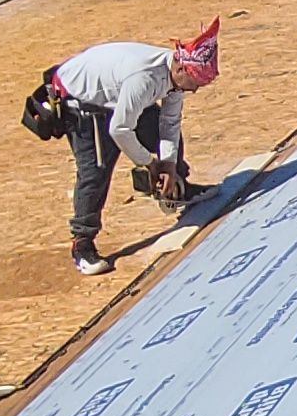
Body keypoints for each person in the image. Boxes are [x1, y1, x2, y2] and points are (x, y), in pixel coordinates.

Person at [28, 21, 219, 275]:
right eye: (195, 82)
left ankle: (178, 187)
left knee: (162, 133)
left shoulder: (174, 76)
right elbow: (119, 130)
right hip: (83, 104)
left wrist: (169, 165)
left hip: (119, 95)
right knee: (95, 170)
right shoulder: (144, 78)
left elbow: (169, 122)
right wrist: (150, 164)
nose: (194, 89)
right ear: (181, 67)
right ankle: (82, 243)